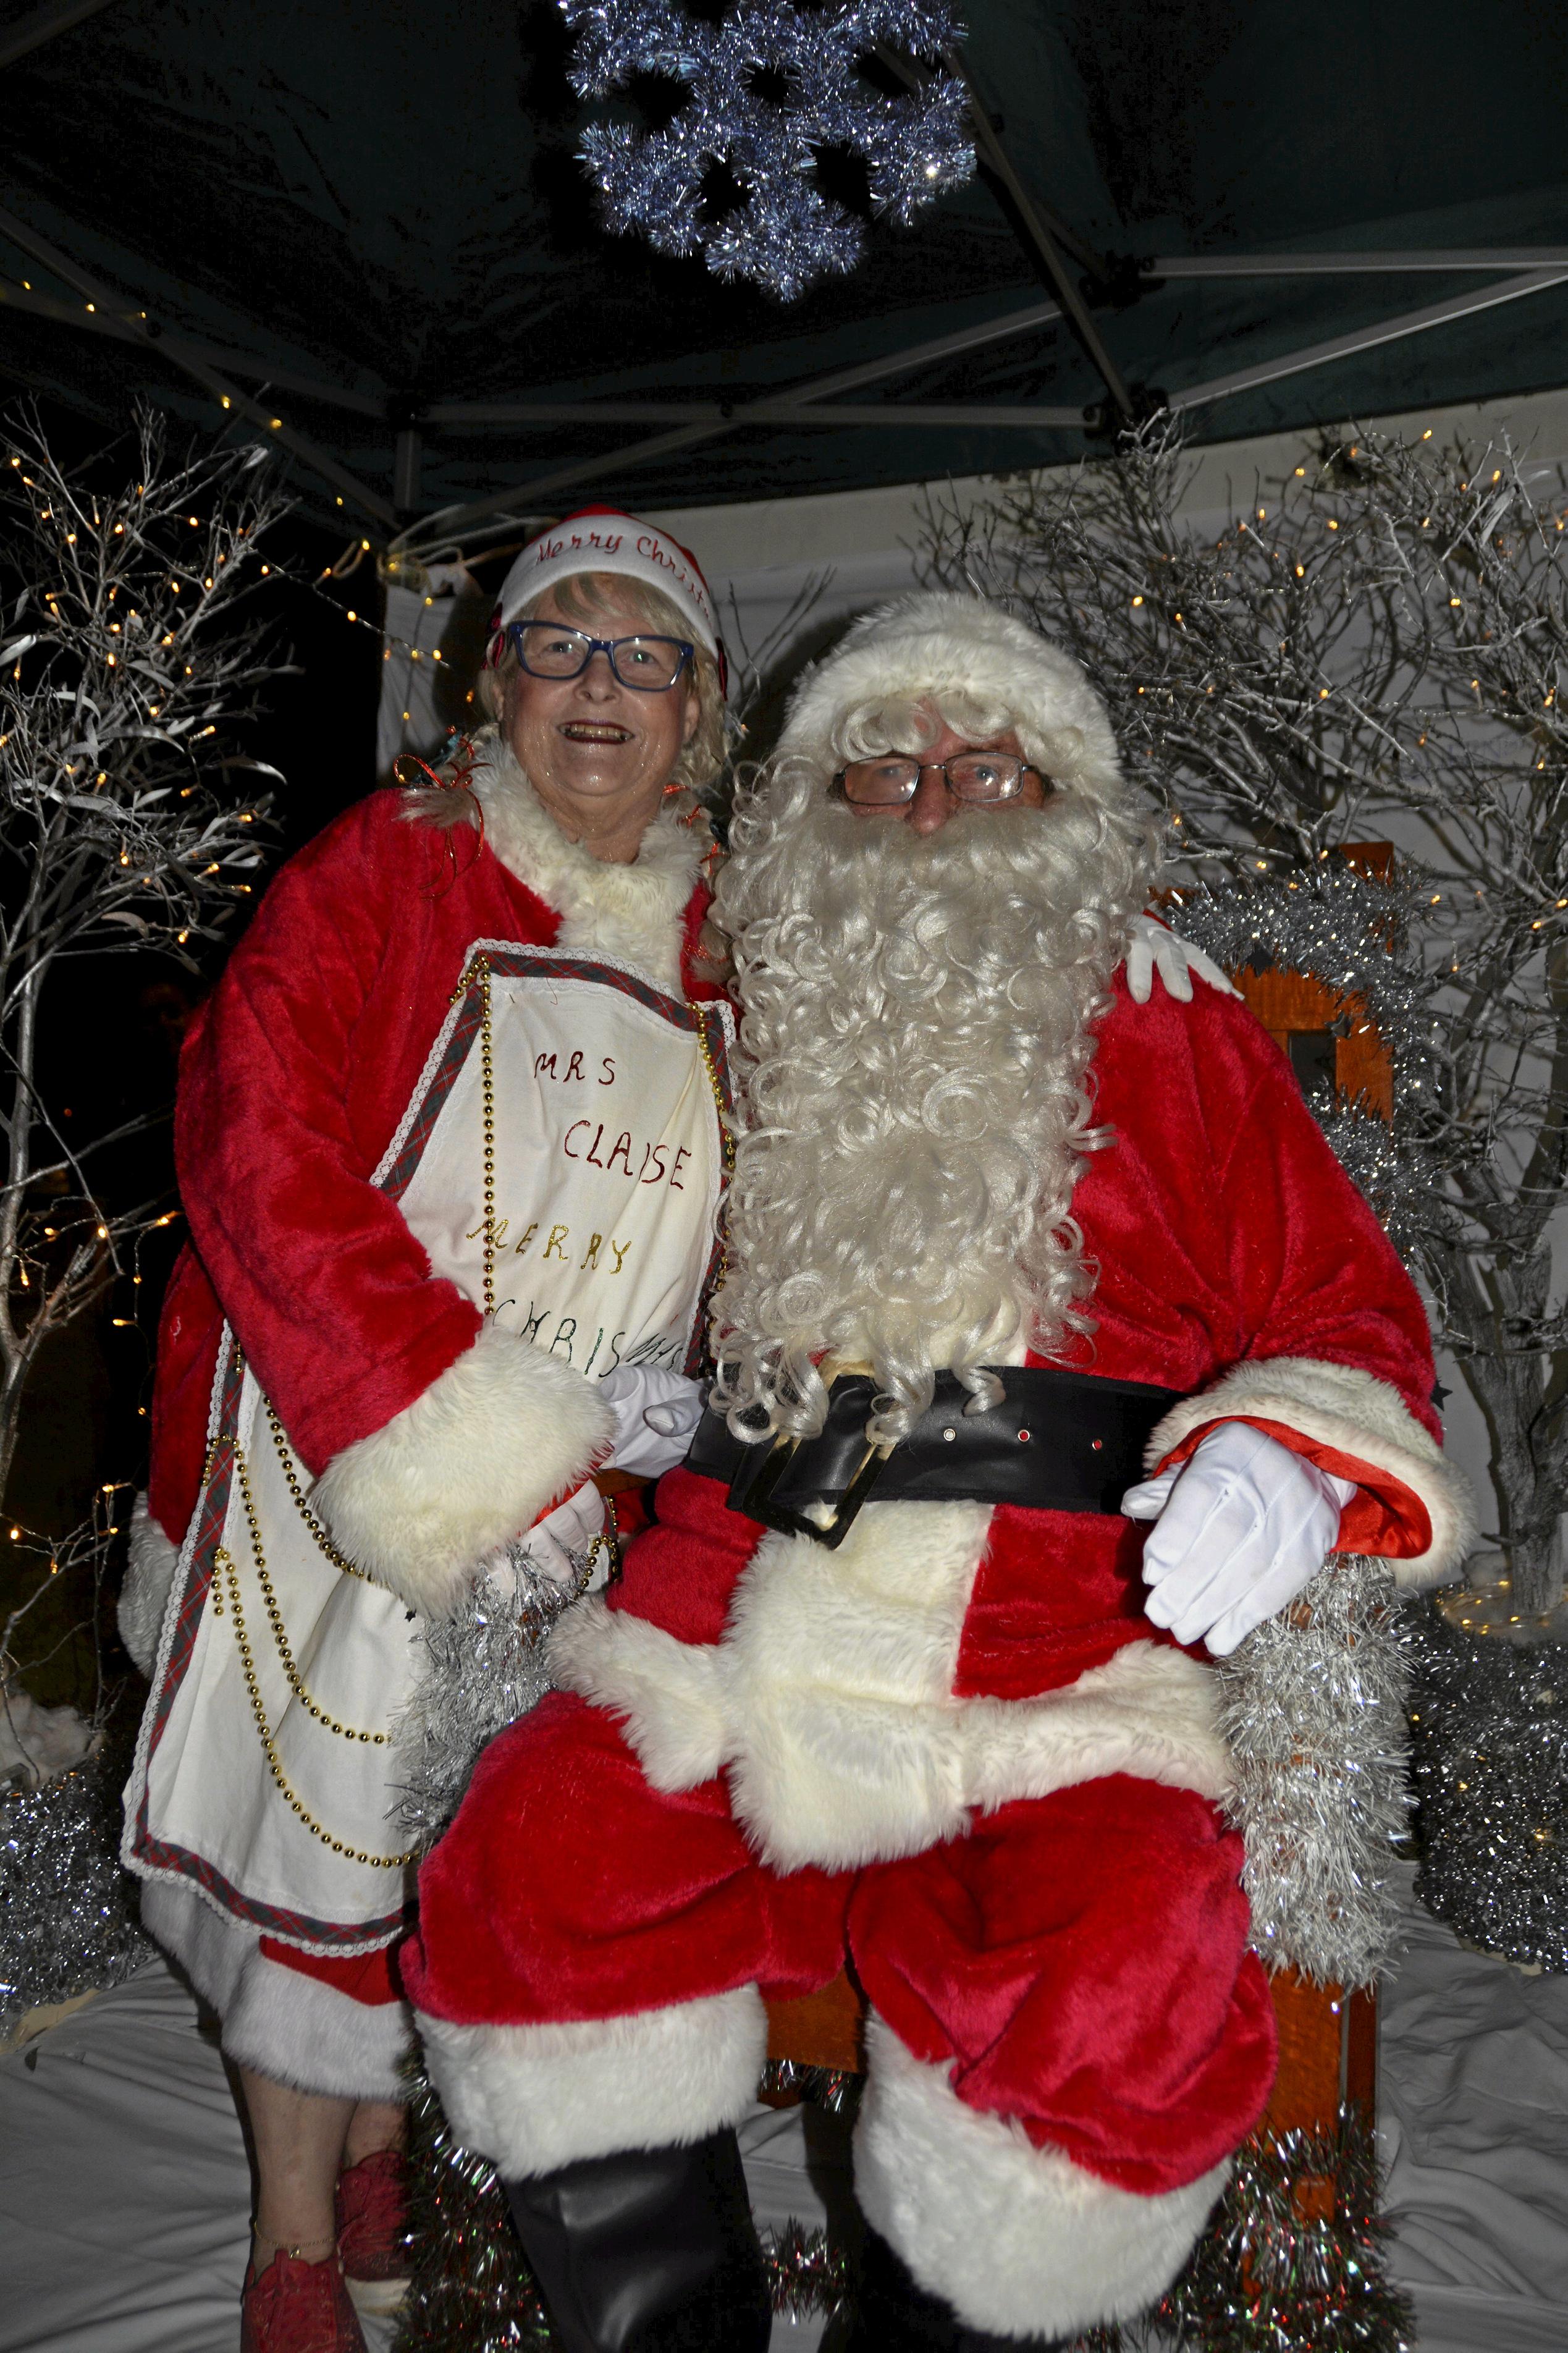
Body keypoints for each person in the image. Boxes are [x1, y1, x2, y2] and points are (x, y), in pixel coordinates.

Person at [406, 592, 1475, 2352]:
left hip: (1067, 1653)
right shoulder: (730, 1007)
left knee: (1110, 1977)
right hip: (729, 1618)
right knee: (533, 1863)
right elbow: (538, 972)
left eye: (985, 768)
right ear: (803, 809)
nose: (925, 806)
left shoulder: (1172, 1026)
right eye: (876, 767)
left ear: (1071, 811)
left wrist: (1278, 1455)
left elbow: (1343, 1309)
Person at [117, 509, 739, 2353]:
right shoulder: (389, 868)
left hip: (594, 1486)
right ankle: (298, 2231)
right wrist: (437, 1417)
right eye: (561, 646)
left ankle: (398, 2144)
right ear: (494, 681)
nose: (599, 688)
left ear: (700, 707)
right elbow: (254, 1128)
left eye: (645, 656)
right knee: (337, 1821)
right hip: (343, 1430)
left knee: (483, 1844)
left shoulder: (735, 931)